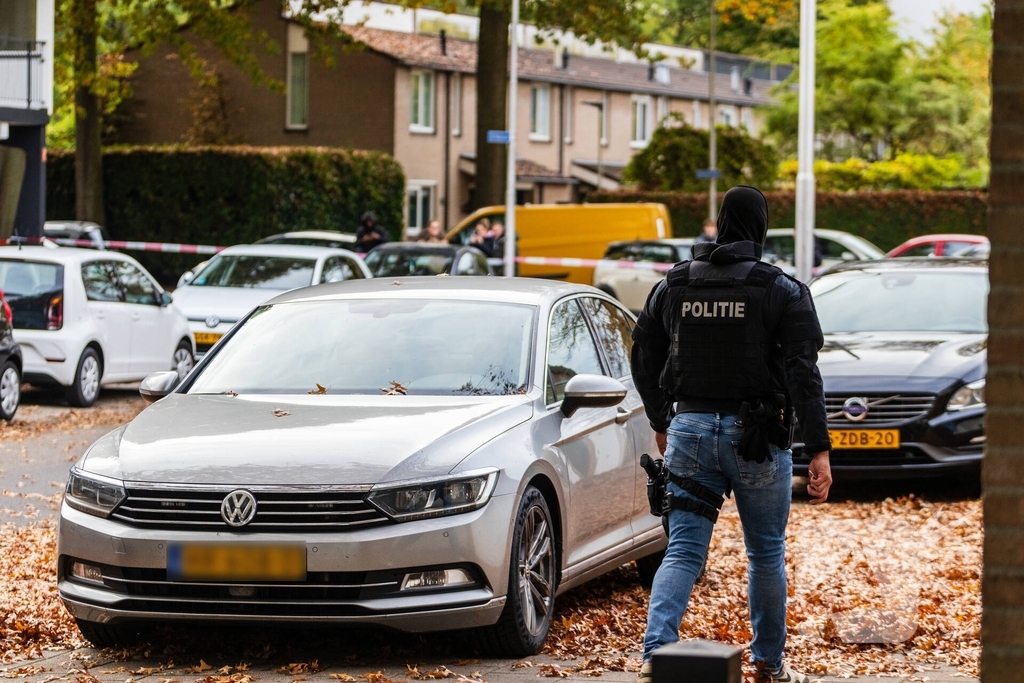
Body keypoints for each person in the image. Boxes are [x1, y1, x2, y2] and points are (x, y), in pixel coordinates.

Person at [631, 186, 832, 683]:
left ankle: (656, 656)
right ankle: (768, 664)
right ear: (761, 228)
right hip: (757, 441)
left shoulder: (673, 284)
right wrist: (819, 449)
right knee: (765, 552)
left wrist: (662, 419)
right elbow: (804, 374)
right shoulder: (781, 289)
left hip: (690, 433)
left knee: (682, 550)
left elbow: (642, 354)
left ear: (720, 222)